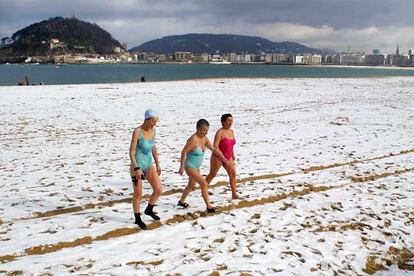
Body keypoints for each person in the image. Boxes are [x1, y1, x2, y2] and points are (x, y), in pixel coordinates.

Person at [178, 119, 228, 213]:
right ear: (198, 129)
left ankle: (181, 201)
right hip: (189, 166)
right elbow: (183, 152)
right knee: (204, 184)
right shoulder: (193, 140)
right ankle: (209, 207)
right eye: (204, 130)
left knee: (191, 185)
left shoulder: (204, 138)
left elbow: (213, 148)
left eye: (207, 130)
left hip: (196, 167)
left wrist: (222, 157)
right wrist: (181, 167)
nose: (206, 132)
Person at [129, 109, 163, 229]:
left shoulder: (153, 130)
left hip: (148, 164)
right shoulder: (137, 131)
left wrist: (157, 164)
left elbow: (153, 147)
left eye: (155, 122)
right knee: (138, 194)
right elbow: (131, 152)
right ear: (147, 120)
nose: (154, 124)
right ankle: (137, 218)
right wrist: (136, 168)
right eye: (153, 121)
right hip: (137, 165)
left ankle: (149, 209)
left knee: (158, 189)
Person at [206, 114, 238, 199]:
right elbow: (215, 146)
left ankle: (234, 194)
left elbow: (231, 144)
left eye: (231, 120)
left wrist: (232, 154)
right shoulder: (220, 132)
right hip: (217, 156)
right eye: (228, 120)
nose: (230, 122)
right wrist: (222, 157)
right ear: (223, 122)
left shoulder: (231, 131)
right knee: (212, 174)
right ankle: (204, 189)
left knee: (233, 174)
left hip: (228, 156)